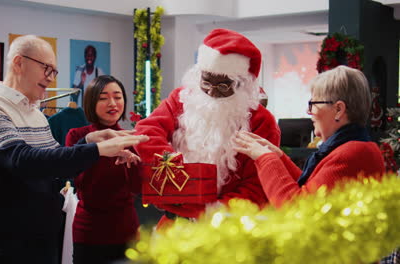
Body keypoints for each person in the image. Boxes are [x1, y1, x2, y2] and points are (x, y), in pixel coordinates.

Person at [0, 35, 148, 264]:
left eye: (54, 72)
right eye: (46, 69)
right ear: (19, 63)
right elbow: (24, 161)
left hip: (46, 238)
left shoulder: (36, 114)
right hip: (10, 243)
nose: (50, 79)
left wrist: (89, 141)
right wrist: (97, 149)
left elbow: (56, 165)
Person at [134, 28, 281, 226]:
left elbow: (259, 186)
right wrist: (173, 170)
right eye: (206, 81)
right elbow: (147, 131)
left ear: (241, 84)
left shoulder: (261, 121)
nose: (211, 91)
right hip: (173, 226)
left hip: (226, 232)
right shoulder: (182, 98)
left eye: (223, 86)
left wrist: (213, 211)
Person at [233, 65, 385, 208]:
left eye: (313, 103)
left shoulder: (351, 153)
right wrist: (279, 157)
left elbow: (299, 209)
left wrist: (266, 158)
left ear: (339, 109)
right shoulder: (356, 147)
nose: (308, 111)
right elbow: (312, 188)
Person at [65, 75, 141, 264]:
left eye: (117, 96)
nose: (112, 103)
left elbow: (139, 188)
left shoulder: (131, 137)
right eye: (103, 98)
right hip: (89, 233)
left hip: (127, 232)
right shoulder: (78, 136)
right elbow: (80, 181)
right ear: (91, 102)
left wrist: (134, 163)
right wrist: (100, 151)